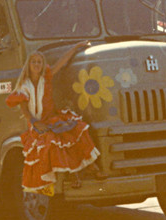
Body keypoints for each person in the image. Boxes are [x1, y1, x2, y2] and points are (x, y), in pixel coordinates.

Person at [6, 42, 102, 194]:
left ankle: (90, 167)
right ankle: (73, 175)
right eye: (33, 62)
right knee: (51, 140)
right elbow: (24, 108)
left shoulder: (47, 77)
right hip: (37, 123)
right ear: (28, 65)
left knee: (76, 129)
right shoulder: (24, 86)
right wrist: (34, 122)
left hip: (51, 118)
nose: (37, 64)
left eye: (39, 62)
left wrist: (76, 47)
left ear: (43, 65)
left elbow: (62, 62)